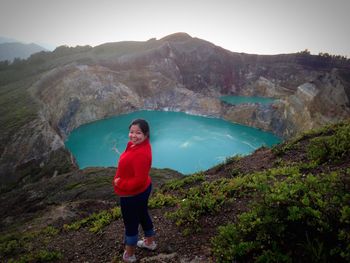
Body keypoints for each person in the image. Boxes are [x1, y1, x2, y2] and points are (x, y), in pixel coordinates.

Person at [113, 119, 157, 263]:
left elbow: (138, 180)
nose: (133, 135)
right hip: (142, 190)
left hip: (132, 194)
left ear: (146, 134)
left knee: (130, 223)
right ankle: (150, 242)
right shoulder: (137, 146)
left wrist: (121, 182)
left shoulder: (141, 153)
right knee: (142, 214)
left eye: (138, 133)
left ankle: (129, 254)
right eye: (131, 132)